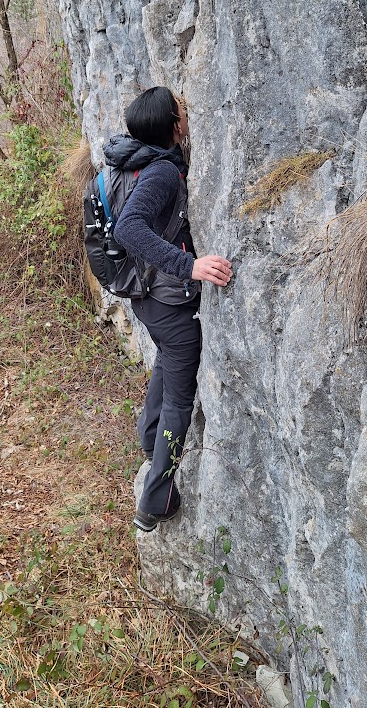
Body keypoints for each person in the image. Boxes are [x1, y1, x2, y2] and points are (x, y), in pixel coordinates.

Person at [104, 86, 232, 532]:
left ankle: (147, 434)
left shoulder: (133, 160)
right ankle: (154, 501)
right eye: (182, 109)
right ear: (174, 126)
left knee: (167, 361)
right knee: (181, 396)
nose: (187, 112)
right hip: (168, 300)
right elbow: (128, 229)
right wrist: (190, 265)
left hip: (146, 299)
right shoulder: (160, 172)